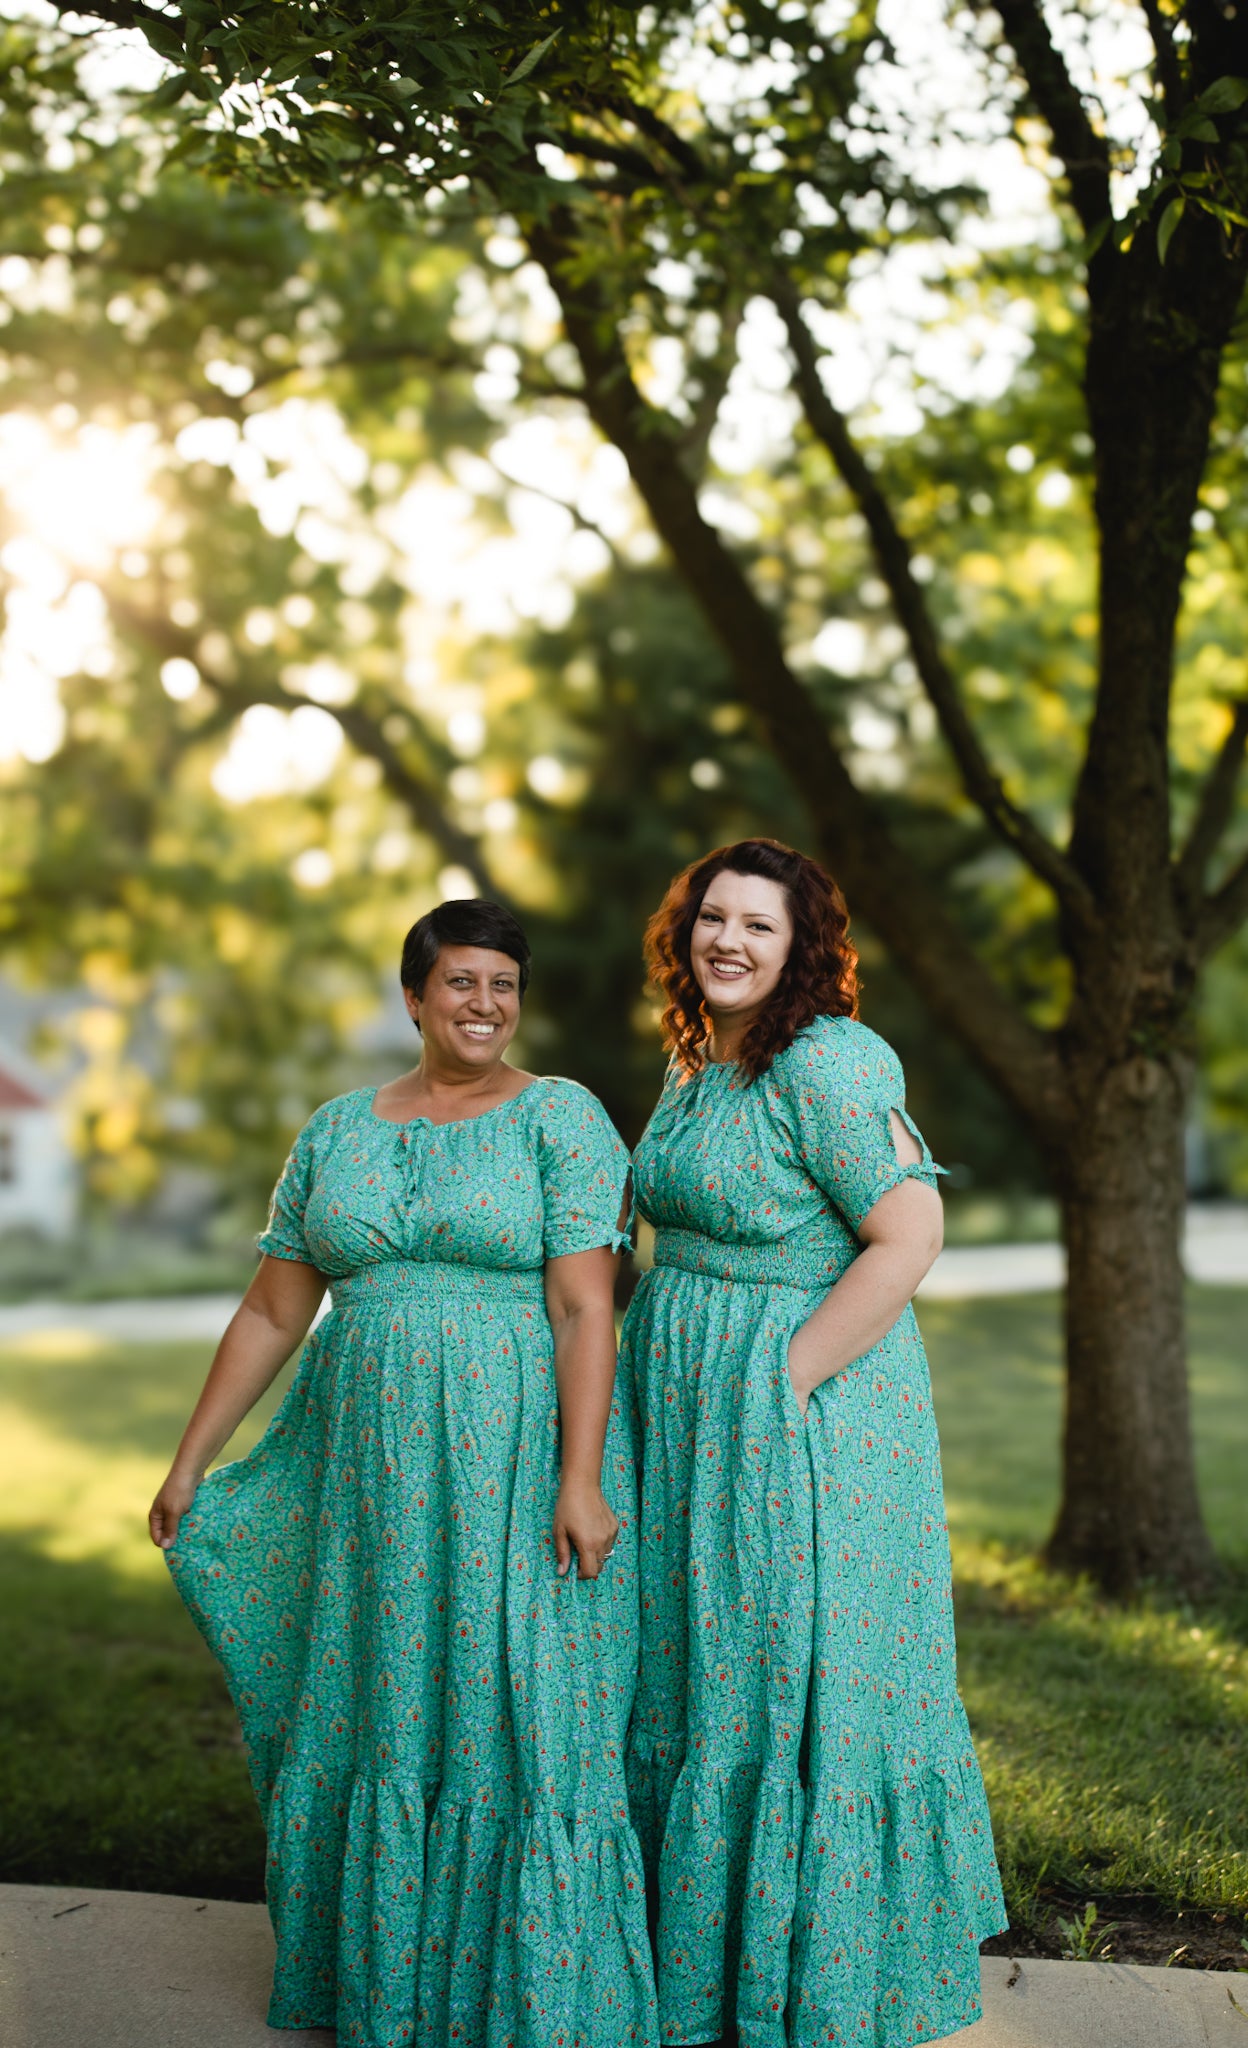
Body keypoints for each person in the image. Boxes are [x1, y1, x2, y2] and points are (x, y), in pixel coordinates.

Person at [149, 897, 657, 2048]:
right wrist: (192, 1460)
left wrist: (580, 1478)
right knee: (384, 1686)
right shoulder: (338, 1128)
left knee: (509, 1691)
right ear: (416, 994)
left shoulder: (560, 1118)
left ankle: (528, 1991)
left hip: (514, 1449)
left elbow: (585, 1305)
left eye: (504, 985)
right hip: (367, 1466)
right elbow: (275, 1309)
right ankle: (381, 1975)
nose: (485, 1003)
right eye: (463, 981)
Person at [620, 839, 1006, 2048]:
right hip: (684, 1407)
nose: (727, 940)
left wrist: (778, 1382)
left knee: (783, 1665)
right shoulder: (700, 1061)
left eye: (758, 925)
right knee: (705, 1667)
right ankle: (706, 1963)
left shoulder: (826, 1059)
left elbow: (909, 1230)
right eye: (711, 919)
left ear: (801, 947)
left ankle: (817, 1979)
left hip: (804, 1411)